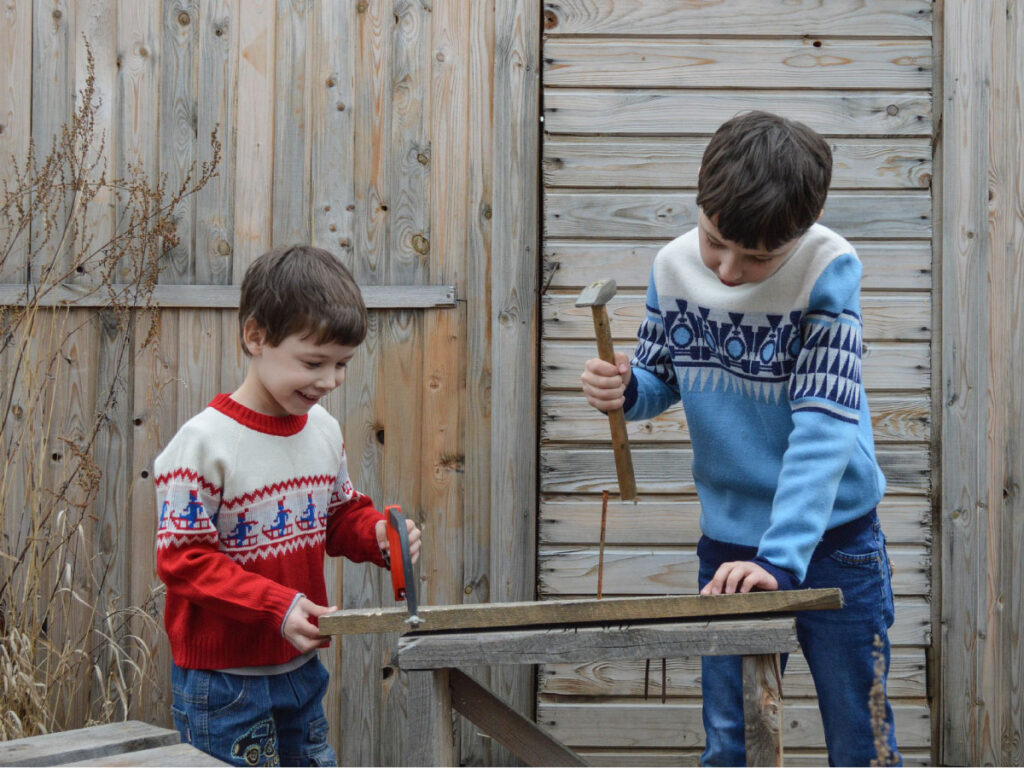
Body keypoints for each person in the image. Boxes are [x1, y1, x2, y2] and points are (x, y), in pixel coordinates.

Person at [581, 111, 900, 766]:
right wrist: (628, 391)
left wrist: (780, 560)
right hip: (728, 545)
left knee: (859, 736)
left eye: (757, 258)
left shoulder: (827, 270)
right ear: (700, 201)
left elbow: (824, 425)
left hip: (836, 542)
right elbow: (661, 375)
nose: (727, 271)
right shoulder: (672, 267)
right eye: (715, 241)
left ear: (802, 232)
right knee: (731, 741)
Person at [154, 245, 421, 766]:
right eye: (313, 362)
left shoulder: (322, 431)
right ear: (256, 337)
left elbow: (338, 514)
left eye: (342, 364)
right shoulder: (204, 445)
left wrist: (377, 536)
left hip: (299, 671)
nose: (329, 381)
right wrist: (276, 607)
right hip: (223, 684)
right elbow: (184, 562)